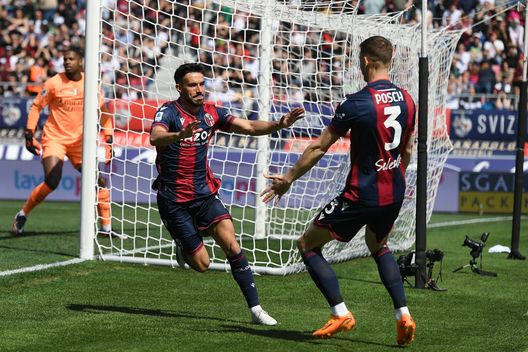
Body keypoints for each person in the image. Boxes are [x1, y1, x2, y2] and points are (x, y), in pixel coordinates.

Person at [260, 36, 417, 345]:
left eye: (360, 61)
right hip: (394, 192)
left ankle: (340, 312)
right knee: (378, 244)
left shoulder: (357, 102)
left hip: (361, 194)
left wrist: (289, 178)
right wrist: (394, 175)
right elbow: (409, 149)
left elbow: (319, 147)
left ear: (367, 62)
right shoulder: (408, 99)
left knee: (307, 243)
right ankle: (403, 315)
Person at [149, 63, 304, 326]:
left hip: (205, 193)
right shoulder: (169, 112)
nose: (199, 90)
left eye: (201, 84)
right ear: (179, 88)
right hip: (174, 200)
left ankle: (255, 309)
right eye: (192, 85)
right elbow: (155, 137)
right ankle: (184, 243)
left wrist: (280, 124)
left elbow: (250, 127)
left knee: (232, 246)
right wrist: (178, 135)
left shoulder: (211, 113)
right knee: (202, 264)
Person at [12, 47, 114, 236]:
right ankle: (23, 213)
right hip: (55, 138)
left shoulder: (91, 84)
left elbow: (104, 111)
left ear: (81, 62)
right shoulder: (54, 83)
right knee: (52, 180)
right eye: (65, 59)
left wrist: (108, 139)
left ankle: (106, 228)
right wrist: (29, 134)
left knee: (98, 181)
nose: (67, 62)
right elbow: (36, 107)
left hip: (80, 143)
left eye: (71, 59)